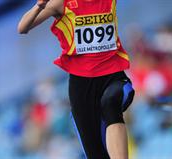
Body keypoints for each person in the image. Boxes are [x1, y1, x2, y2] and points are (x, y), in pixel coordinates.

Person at [18, 0, 134, 158]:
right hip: (82, 87)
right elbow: (22, 27)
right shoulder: (61, 3)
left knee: (110, 102)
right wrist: (39, 6)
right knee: (96, 154)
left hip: (113, 77)